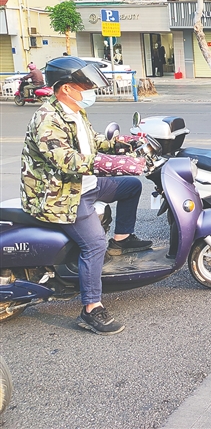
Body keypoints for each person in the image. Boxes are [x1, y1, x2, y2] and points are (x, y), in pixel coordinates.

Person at [21, 56, 151, 335]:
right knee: (94, 245)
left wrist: (124, 145)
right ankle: (91, 308)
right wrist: (113, 164)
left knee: (131, 186)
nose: (90, 90)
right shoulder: (47, 118)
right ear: (66, 88)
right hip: (62, 194)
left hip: (86, 184)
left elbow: (94, 143)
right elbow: (66, 159)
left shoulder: (75, 112)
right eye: (85, 85)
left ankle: (122, 239)